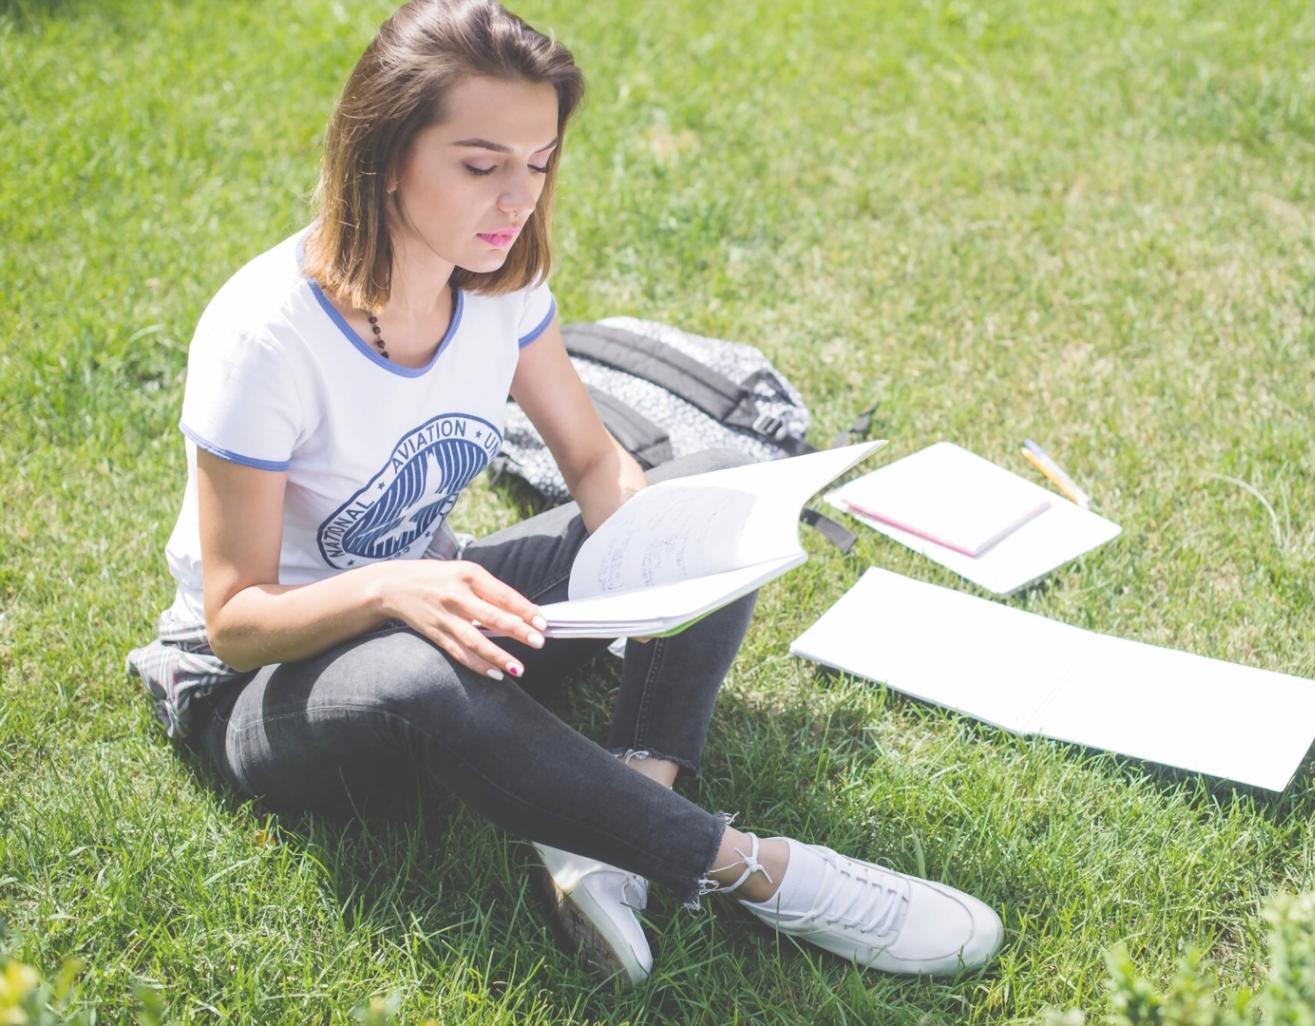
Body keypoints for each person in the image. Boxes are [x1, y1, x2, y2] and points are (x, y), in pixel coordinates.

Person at [126, 0, 1003, 987]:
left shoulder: (495, 285)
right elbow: (235, 616)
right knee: (421, 677)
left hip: (447, 610)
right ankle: (762, 873)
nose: (517, 198)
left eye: (538, 163)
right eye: (480, 162)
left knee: (716, 489)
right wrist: (389, 591)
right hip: (265, 692)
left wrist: (651, 557)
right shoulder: (266, 338)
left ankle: (619, 818)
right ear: (384, 153)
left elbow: (593, 464)